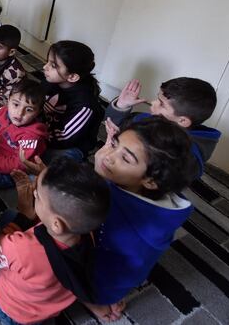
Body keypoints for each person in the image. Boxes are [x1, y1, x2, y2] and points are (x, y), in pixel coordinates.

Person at [87, 116, 197, 321]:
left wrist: (98, 296)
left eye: (126, 158)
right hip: (118, 280)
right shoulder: (141, 191)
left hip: (102, 281)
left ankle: (92, 300)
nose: (109, 156)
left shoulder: (135, 225)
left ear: (151, 181)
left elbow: (82, 222)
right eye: (114, 144)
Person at [0, 157, 111, 324]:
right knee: (8, 217)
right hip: (47, 305)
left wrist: (22, 217)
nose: (34, 191)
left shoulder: (22, 248)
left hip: (12, 310)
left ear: (56, 224)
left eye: (38, 195)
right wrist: (46, 176)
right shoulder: (88, 232)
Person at [105, 77, 220, 177]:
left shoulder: (185, 157)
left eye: (161, 104)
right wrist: (122, 105)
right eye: (157, 98)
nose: (153, 103)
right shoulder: (145, 119)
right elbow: (114, 123)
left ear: (182, 120)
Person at [0, 78, 49, 190]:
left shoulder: (32, 136)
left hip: (12, 170)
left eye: (29, 110)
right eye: (16, 104)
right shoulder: (2, 111)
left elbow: (19, 163)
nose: (19, 113)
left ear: (38, 112)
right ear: (8, 100)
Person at [41, 40, 104, 161]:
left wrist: (36, 136)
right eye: (47, 61)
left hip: (69, 146)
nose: (45, 67)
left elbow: (65, 137)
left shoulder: (85, 105)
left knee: (44, 159)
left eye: (53, 65)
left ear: (72, 76)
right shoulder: (49, 81)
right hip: (45, 133)